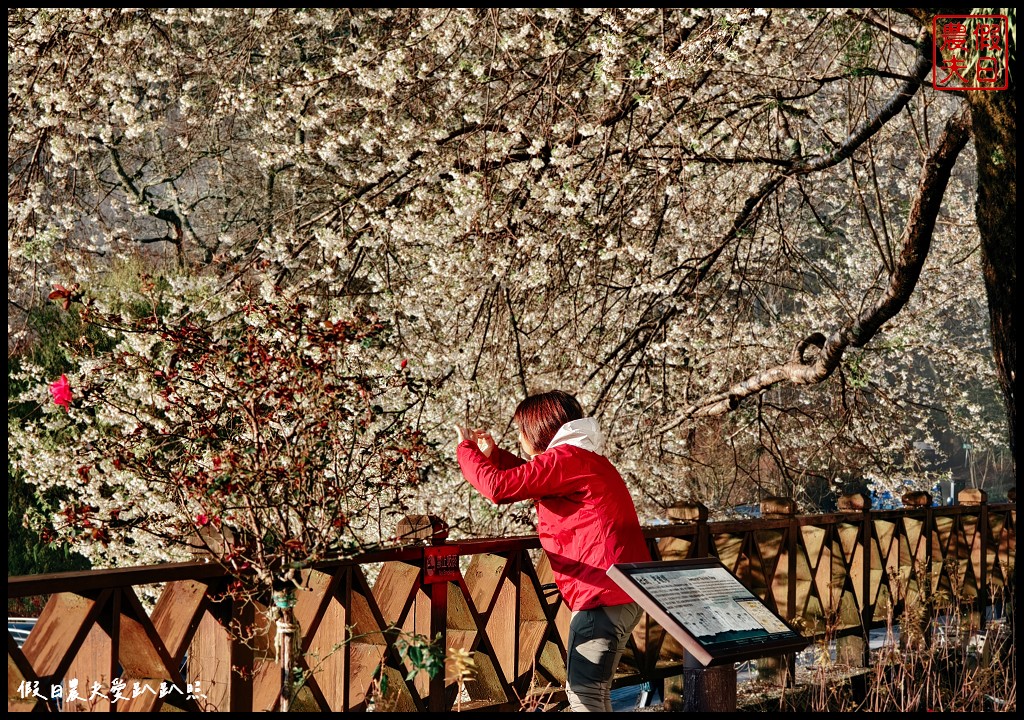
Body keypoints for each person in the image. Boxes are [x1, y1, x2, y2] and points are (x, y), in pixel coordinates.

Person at [455, 389, 652, 712]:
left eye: (521, 431)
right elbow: (537, 478)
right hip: (621, 592)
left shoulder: (568, 459)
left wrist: (467, 449)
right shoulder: (583, 459)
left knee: (584, 694)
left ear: (538, 430)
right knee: (595, 692)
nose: (519, 438)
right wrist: (495, 456)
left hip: (601, 595)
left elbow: (499, 488)